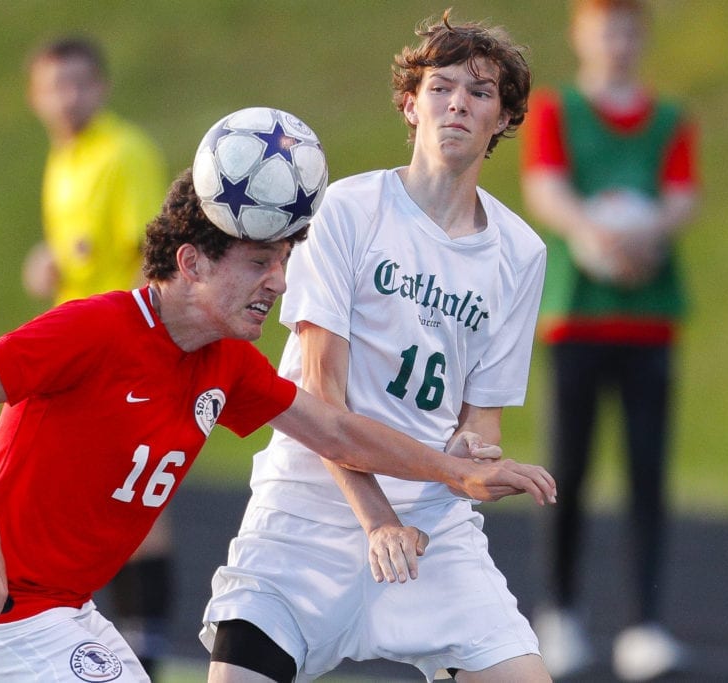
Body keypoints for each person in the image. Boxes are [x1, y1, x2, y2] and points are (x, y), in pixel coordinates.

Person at [0, 167, 557, 682]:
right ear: (191, 263)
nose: (278, 281)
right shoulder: (96, 328)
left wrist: (458, 473)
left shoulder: (228, 364)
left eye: (281, 262)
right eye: (258, 263)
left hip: (60, 608)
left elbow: (336, 432)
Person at [202, 10, 553, 683]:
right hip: (308, 512)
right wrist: (379, 519)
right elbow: (319, 402)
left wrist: (472, 455)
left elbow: (481, 422)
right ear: (409, 105)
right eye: (441, 86)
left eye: (480, 93)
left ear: (504, 118)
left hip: (430, 529)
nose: (458, 103)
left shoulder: (520, 252)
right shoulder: (347, 211)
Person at [519, 1, 699, 680]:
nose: (616, 42)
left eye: (626, 29)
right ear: (581, 35)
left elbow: (682, 194)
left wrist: (645, 232)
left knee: (647, 472)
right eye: (604, 29)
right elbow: (546, 186)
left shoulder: (670, 119)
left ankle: (643, 624)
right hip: (579, 315)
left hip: (649, 316)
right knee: (569, 466)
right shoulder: (559, 111)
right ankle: (560, 613)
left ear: (640, 36)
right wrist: (595, 232)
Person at [22, 36, 172, 678]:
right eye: (55, 85)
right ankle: (101, 648)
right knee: (98, 504)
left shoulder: (123, 151)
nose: (69, 96)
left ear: (103, 87)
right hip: (77, 356)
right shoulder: (65, 158)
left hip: (120, 356)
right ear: (34, 97)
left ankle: (143, 651)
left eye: (80, 82)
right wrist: (51, 261)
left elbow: (152, 256)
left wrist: (137, 349)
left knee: (135, 506)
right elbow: (88, 250)